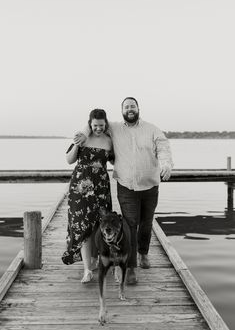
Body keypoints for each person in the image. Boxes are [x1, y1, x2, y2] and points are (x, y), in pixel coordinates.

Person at [76, 97, 173, 284]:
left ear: (138, 108)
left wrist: (167, 165)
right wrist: (83, 132)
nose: (130, 109)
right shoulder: (115, 128)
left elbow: (163, 147)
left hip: (150, 186)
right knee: (130, 225)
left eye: (132, 106)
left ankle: (143, 252)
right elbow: (96, 123)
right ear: (122, 110)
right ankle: (131, 267)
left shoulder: (152, 129)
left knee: (146, 223)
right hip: (126, 186)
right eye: (126, 106)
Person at [61, 109, 114, 283]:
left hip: (101, 188)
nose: (98, 128)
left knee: (101, 225)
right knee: (82, 226)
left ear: (105, 124)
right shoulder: (82, 138)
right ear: (89, 124)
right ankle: (87, 270)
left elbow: (114, 160)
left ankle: (98, 260)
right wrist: (78, 143)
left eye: (101, 125)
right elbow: (69, 160)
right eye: (95, 125)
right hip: (80, 189)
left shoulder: (109, 141)